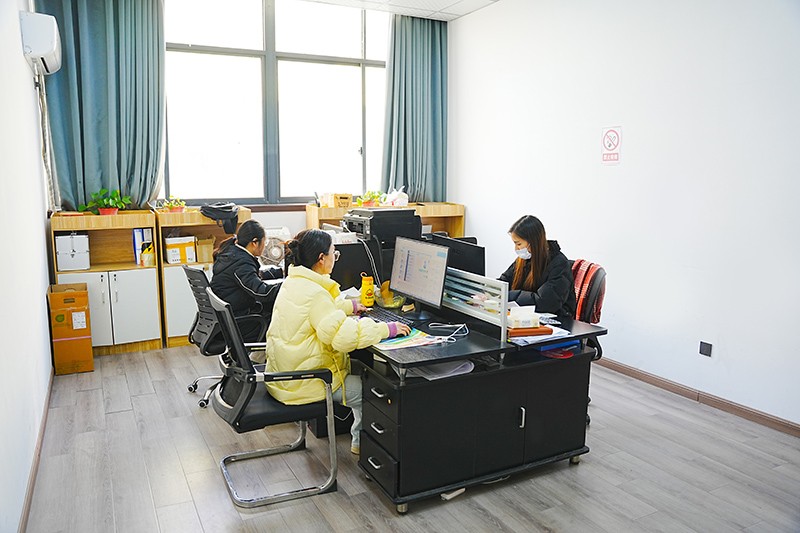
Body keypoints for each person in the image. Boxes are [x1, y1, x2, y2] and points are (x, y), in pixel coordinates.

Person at [265, 229, 410, 455]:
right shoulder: (316, 294)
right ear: (321, 258)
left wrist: (350, 306)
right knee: (372, 391)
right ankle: (363, 445)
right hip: (307, 382)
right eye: (334, 253)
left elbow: (318, 311)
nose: (336, 258)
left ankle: (360, 440)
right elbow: (343, 337)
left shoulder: (295, 282)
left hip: (283, 375)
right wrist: (386, 329)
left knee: (364, 369)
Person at [210, 219, 282, 340]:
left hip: (228, 317)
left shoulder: (232, 252)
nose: (265, 246)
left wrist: (279, 272)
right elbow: (261, 292)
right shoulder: (241, 262)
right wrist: (287, 285)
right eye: (264, 242)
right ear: (254, 243)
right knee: (280, 317)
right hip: (239, 322)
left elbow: (250, 277)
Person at [499, 215, 577, 317]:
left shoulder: (559, 264)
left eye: (518, 244)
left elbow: (546, 302)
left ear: (532, 242)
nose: (516, 249)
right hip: (528, 315)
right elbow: (504, 281)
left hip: (557, 319)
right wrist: (489, 292)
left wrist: (508, 296)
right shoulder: (523, 260)